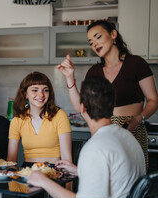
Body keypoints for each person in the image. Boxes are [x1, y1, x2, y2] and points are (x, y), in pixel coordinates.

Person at [9, 76, 146, 198]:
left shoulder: (95, 147)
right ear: (112, 105)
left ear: (82, 108)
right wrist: (79, 171)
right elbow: (116, 177)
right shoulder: (127, 137)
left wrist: (44, 181)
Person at [57, 20, 158, 170]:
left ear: (113, 34)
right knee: (104, 177)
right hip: (102, 132)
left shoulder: (136, 63)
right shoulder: (94, 71)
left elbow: (153, 100)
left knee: (130, 179)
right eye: (91, 42)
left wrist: (138, 119)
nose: (94, 44)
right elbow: (80, 108)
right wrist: (70, 77)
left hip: (131, 129)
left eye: (98, 37)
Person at [2, 71, 72, 198]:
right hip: (28, 172)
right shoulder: (17, 120)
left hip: (55, 172)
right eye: (34, 90)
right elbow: (11, 161)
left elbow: (67, 159)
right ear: (25, 93)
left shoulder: (59, 115)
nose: (41, 94)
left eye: (45, 90)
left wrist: (69, 196)